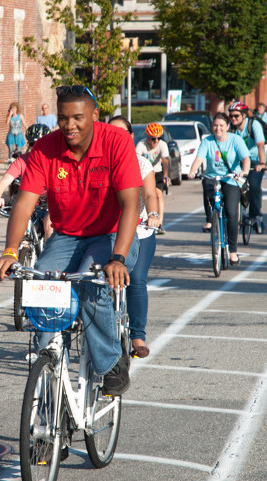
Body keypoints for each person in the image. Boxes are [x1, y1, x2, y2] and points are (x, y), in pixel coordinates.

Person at [0, 85, 142, 396]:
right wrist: (10, 251)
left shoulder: (117, 142)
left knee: (91, 284)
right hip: (67, 236)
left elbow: (131, 203)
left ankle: (112, 361)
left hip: (111, 235)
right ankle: (49, 361)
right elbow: (24, 203)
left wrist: (118, 258)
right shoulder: (46, 148)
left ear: (95, 115)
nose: (69, 126)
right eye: (63, 118)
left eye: (78, 118)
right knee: (42, 286)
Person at [109, 115, 159, 358]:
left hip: (140, 230)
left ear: (130, 137)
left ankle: (137, 335)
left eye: (121, 134)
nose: (116, 138)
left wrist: (153, 213)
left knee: (136, 279)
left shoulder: (141, 164)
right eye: (111, 133)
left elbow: (150, 194)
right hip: (107, 232)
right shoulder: (99, 162)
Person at [188, 112, 250, 266]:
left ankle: (233, 252)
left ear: (228, 126)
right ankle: (213, 219)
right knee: (209, 194)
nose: (218, 128)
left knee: (231, 212)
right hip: (212, 178)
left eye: (221, 125)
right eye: (215, 125)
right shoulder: (207, 141)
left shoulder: (235, 140)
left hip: (230, 179)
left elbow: (246, 159)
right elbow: (199, 158)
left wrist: (245, 171)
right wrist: (192, 170)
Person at [0, 123, 53, 239]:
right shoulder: (22, 161)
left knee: (49, 226)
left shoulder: (54, 161)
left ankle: (49, 256)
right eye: (33, 144)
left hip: (50, 205)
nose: (37, 147)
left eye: (42, 144)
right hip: (29, 204)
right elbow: (4, 181)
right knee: (21, 229)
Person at [229, 101, 267, 234]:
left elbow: (260, 145)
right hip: (239, 161)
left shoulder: (253, 125)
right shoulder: (231, 128)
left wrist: (262, 163)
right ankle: (240, 212)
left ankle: (256, 216)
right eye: (231, 116)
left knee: (254, 187)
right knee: (235, 186)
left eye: (236, 116)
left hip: (255, 160)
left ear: (244, 115)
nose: (233, 118)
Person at [135, 123, 169, 234]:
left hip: (157, 172)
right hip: (145, 173)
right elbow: (135, 160)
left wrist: (165, 176)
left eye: (159, 138)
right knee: (146, 194)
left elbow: (166, 161)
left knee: (158, 195)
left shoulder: (162, 145)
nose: (156, 142)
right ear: (148, 138)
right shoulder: (141, 145)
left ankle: (159, 223)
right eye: (153, 139)